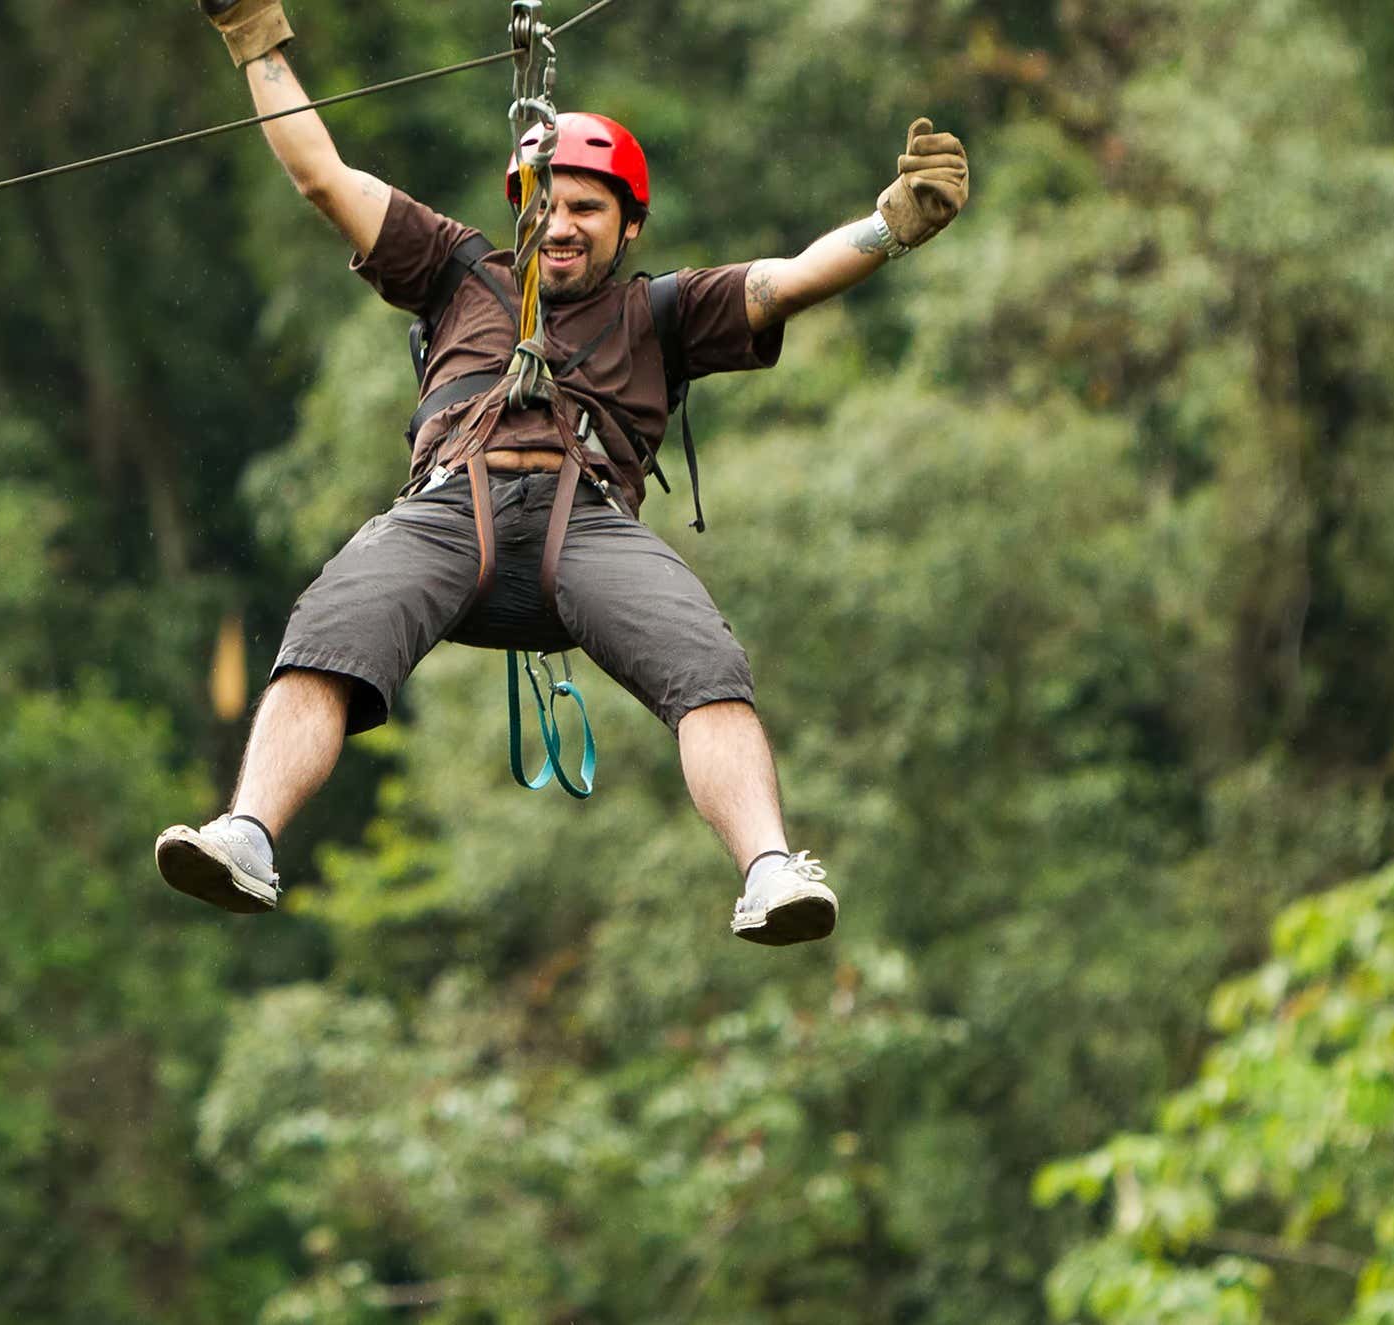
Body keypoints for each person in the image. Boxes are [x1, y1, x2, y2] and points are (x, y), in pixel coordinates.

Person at [155, 0, 970, 945]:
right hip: (447, 511)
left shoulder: (660, 313)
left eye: (588, 209)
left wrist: (890, 227)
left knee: (706, 664)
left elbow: (791, 278)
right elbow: (321, 175)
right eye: (547, 203)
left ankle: (770, 869)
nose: (562, 225)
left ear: (630, 227)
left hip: (586, 526)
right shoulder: (457, 272)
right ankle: (248, 835)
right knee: (330, 629)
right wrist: (253, 35)